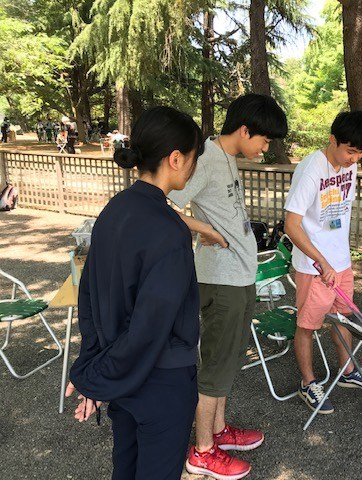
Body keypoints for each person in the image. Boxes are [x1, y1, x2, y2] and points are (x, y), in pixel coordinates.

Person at [65, 106, 205, 479]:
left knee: (125, 468)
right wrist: (95, 376)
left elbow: (89, 298)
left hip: (124, 378)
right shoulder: (169, 229)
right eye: (192, 159)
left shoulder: (114, 211)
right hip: (162, 382)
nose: (192, 168)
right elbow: (150, 325)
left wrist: (98, 370)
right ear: (175, 159)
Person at [168, 93, 288, 480]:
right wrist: (203, 229)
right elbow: (160, 200)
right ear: (244, 129)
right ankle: (202, 451)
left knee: (229, 360)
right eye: (264, 140)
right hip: (220, 282)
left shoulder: (227, 158)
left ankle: (219, 432)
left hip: (238, 276)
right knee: (216, 367)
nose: (266, 148)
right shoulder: (204, 160)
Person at [284, 110, 362, 415]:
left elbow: (337, 215)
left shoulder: (350, 167)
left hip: (340, 262)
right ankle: (308, 383)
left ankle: (348, 371)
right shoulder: (312, 168)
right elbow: (291, 225)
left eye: (361, 152)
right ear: (332, 140)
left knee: (343, 319)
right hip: (313, 266)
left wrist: (337, 260)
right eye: (350, 150)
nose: (354, 159)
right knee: (307, 325)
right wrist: (321, 260)